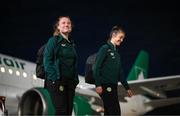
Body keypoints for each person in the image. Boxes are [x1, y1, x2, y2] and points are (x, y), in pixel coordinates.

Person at [93, 25, 133, 115]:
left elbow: (120, 73)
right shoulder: (105, 48)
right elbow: (96, 67)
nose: (122, 40)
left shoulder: (117, 54)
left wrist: (127, 88)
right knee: (115, 112)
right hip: (106, 86)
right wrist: (98, 84)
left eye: (123, 38)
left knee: (109, 112)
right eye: (121, 37)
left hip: (113, 87)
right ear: (114, 35)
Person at [43, 16, 79, 115]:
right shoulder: (53, 41)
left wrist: (75, 81)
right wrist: (54, 79)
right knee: (61, 111)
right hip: (57, 80)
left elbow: (74, 64)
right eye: (63, 23)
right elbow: (47, 61)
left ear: (71, 27)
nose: (66, 25)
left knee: (68, 112)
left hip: (70, 83)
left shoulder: (72, 44)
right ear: (58, 27)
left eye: (68, 23)